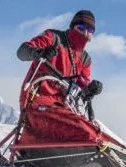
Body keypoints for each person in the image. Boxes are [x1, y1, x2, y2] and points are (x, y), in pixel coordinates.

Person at [15, 10, 107, 145]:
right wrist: (40, 53)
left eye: (90, 29)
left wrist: (90, 89)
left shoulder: (85, 59)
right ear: (72, 26)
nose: (85, 32)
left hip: (63, 106)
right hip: (37, 100)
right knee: (84, 131)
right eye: (81, 27)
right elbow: (21, 52)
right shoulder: (53, 38)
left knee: (95, 132)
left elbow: (82, 86)